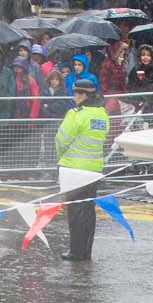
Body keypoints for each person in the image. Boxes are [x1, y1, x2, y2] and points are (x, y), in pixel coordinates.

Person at [54, 74, 109, 261]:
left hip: (74, 170)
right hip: (94, 169)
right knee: (88, 210)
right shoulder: (102, 114)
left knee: (75, 211)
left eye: (76, 94)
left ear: (83, 95)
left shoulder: (76, 114)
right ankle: (86, 251)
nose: (74, 97)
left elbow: (61, 140)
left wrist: (61, 155)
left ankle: (76, 251)